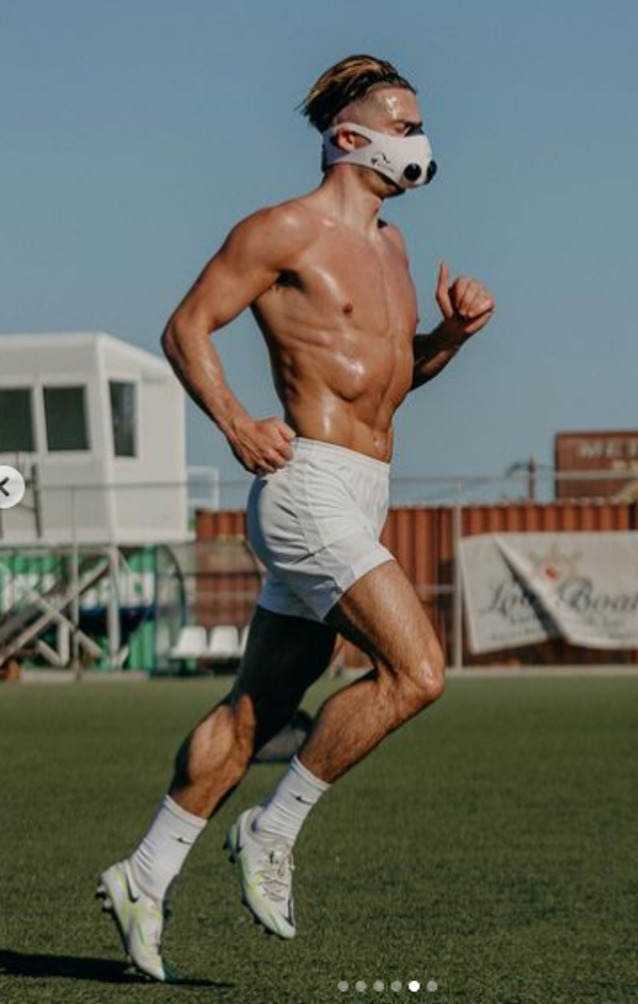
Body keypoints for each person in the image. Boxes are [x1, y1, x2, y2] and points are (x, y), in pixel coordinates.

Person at [96, 53, 495, 982]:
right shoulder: (282, 229)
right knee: (418, 671)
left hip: (364, 488)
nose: (422, 141)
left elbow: (390, 383)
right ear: (351, 137)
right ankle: (271, 831)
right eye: (405, 124)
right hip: (303, 483)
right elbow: (186, 327)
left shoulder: (394, 248)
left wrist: (449, 337)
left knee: (255, 711)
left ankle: (143, 875)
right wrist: (237, 422)